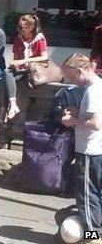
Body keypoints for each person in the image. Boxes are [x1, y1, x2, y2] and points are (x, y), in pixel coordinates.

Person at [60, 54, 102, 239]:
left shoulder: (92, 91)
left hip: (89, 150)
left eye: (71, 77)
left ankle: (94, 238)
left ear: (79, 70)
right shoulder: (99, 85)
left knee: (87, 196)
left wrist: (72, 121)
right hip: (97, 149)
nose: (72, 81)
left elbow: (96, 123)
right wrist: (80, 113)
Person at [4, 14, 49, 121]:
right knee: (5, 76)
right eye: (17, 27)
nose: (18, 30)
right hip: (21, 69)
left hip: (34, 69)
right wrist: (15, 63)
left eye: (20, 28)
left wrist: (25, 60)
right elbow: (15, 58)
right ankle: (12, 105)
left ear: (30, 28)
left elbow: (44, 57)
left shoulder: (39, 39)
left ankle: (8, 113)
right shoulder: (18, 39)